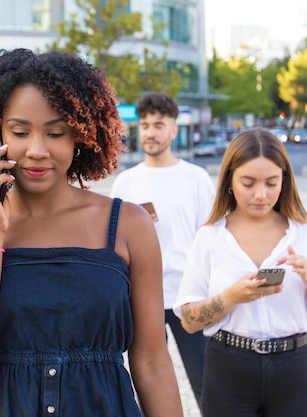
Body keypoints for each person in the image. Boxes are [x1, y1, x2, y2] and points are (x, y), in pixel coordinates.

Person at [0, 48, 183, 417]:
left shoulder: (128, 226)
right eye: (19, 132)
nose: (37, 150)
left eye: (56, 132)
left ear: (80, 136)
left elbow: (152, 363)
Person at [174, 128, 307, 417]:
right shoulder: (210, 237)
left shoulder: (304, 234)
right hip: (229, 367)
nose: (260, 195)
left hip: (294, 367)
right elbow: (188, 321)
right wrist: (232, 296)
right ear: (229, 181)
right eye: (248, 183)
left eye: (271, 183)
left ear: (284, 181)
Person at [110, 91, 215, 410]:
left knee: (206, 383)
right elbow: (112, 242)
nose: (150, 132)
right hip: (143, 297)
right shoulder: (126, 182)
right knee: (147, 384)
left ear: (173, 129)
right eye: (144, 125)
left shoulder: (196, 178)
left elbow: (210, 238)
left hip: (189, 296)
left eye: (158, 124)